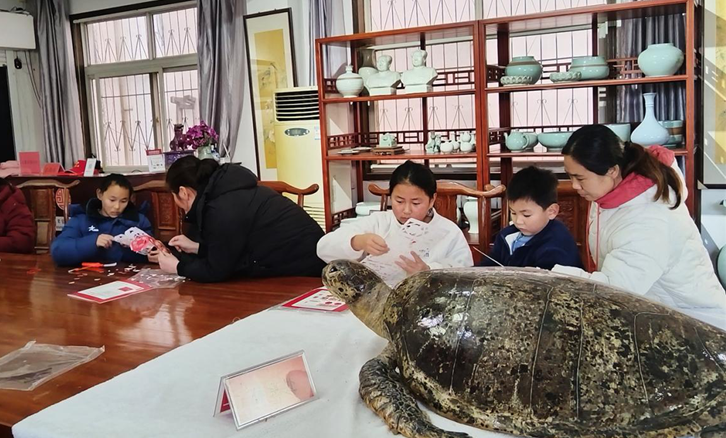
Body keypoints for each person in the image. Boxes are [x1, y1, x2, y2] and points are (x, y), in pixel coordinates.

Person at [553, 124, 726, 312]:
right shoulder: (609, 192)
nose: (575, 186)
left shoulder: (648, 217)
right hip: (654, 313)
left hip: (693, 323)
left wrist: (546, 276)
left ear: (612, 170)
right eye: (570, 176)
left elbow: (615, 291)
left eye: (580, 178)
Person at [154, 156, 325, 282]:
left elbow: (217, 271)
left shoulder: (220, 207)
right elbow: (233, 250)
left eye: (174, 196)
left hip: (303, 275)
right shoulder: (226, 192)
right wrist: (199, 248)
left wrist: (177, 267)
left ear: (183, 192)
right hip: (306, 262)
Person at [317, 160, 473, 274]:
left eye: (416, 203)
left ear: (432, 200)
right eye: (399, 201)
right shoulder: (379, 222)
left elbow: (465, 272)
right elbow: (323, 248)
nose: (406, 210)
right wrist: (358, 242)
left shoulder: (448, 231)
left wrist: (429, 270)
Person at [478, 166, 583, 270]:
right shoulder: (507, 235)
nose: (518, 222)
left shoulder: (557, 247)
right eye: (513, 213)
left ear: (552, 211)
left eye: (526, 215)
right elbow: (489, 265)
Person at [51, 174, 153, 266]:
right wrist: (93, 242)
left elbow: (151, 253)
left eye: (123, 201)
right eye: (112, 200)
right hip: (87, 279)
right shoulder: (81, 219)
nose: (117, 206)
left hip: (127, 279)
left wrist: (127, 249)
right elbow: (58, 251)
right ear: (100, 194)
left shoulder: (138, 221)